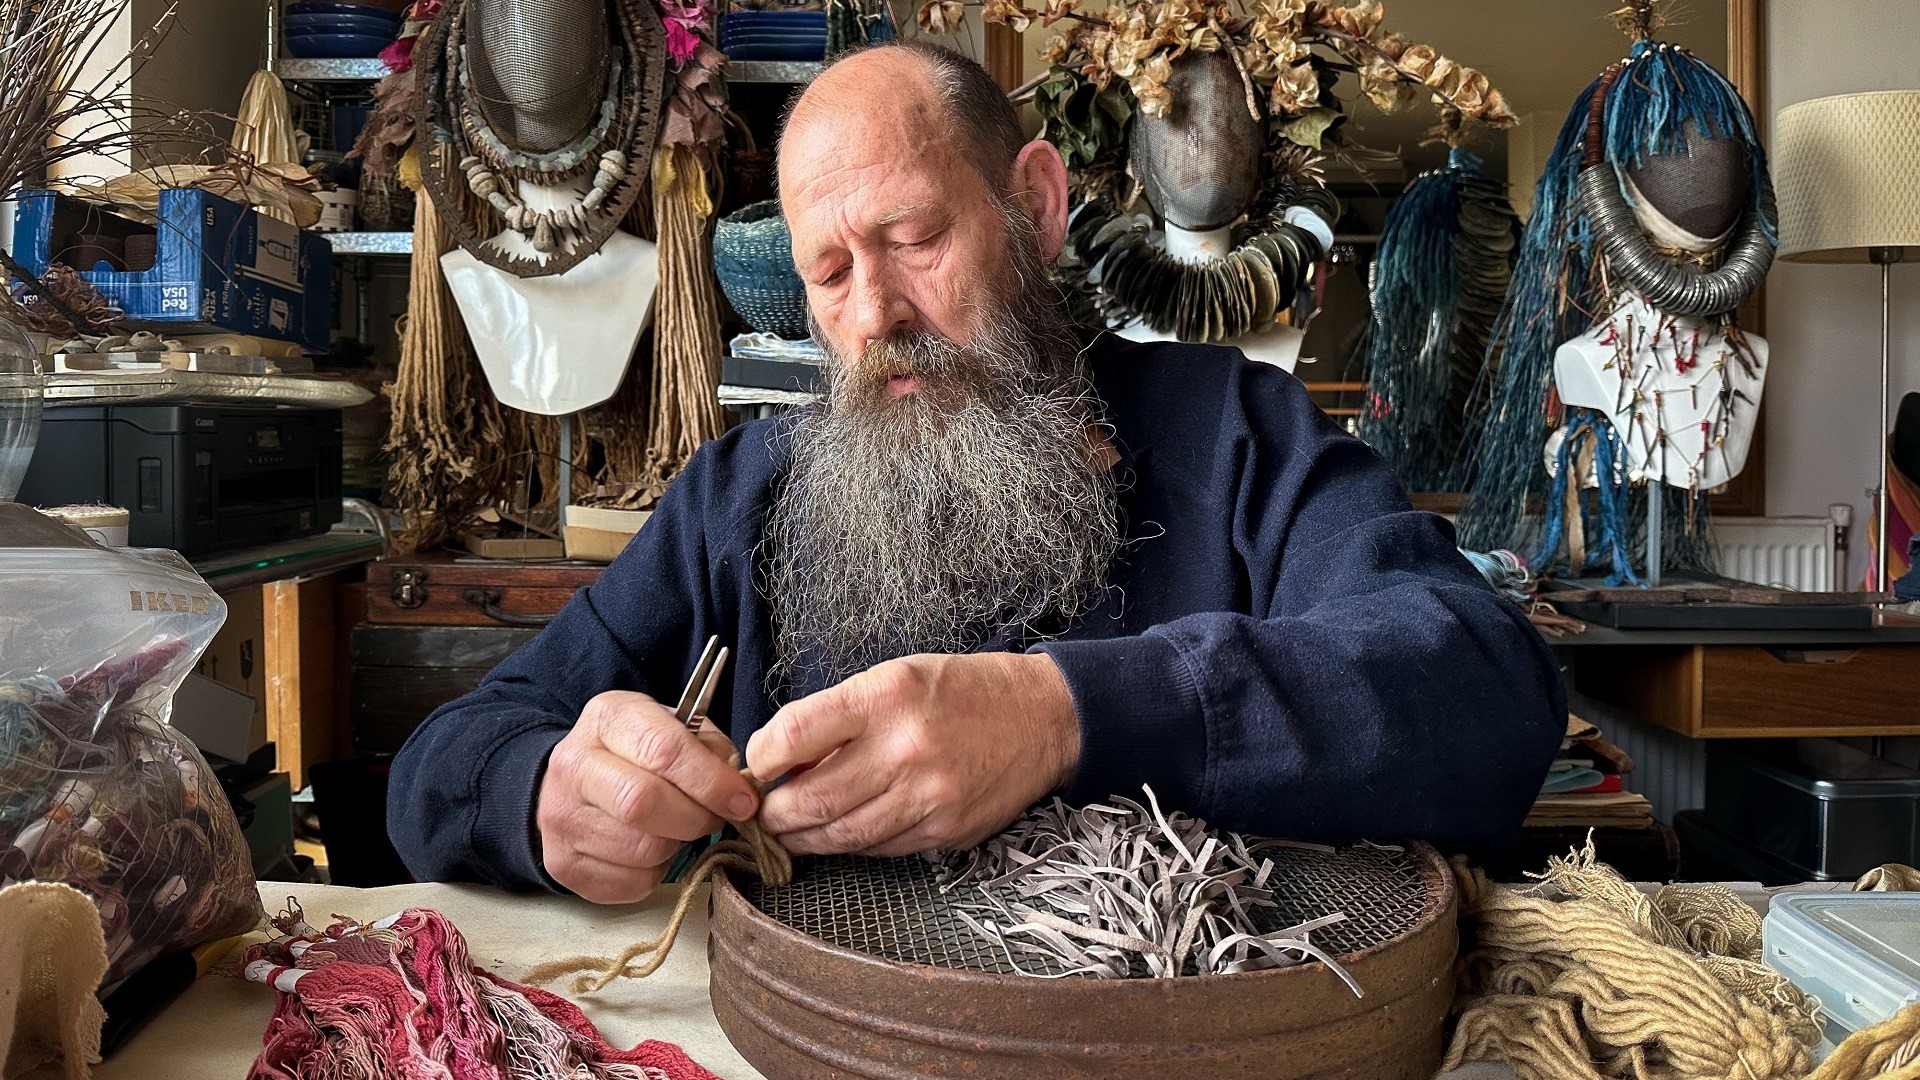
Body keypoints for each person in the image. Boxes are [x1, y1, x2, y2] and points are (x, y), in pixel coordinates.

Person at [387, 41, 1567, 903]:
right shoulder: (741, 496)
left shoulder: (1235, 434)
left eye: (913, 241)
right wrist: (543, 793)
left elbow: (1484, 688)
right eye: (829, 272)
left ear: (1036, 207)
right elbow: (442, 766)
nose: (875, 315)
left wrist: (1065, 715)